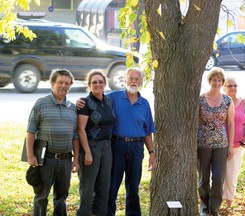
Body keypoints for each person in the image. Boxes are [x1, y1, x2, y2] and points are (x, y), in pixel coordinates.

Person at [77, 67, 156, 215]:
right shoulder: (112, 97)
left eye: (136, 79)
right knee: (111, 185)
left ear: (141, 82)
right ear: (125, 81)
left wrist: (151, 152)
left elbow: (147, 131)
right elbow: (95, 95)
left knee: (133, 187)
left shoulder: (144, 104)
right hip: (117, 145)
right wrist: (78, 103)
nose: (133, 81)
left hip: (137, 147)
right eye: (130, 78)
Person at [26, 69, 80, 215]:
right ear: (52, 84)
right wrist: (30, 156)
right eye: (60, 82)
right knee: (42, 196)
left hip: (66, 159)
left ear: (70, 86)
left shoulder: (73, 108)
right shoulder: (41, 104)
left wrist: (76, 159)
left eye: (67, 83)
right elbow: (31, 131)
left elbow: (75, 135)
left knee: (62, 197)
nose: (64, 85)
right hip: (45, 159)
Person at [77, 71, 115, 216]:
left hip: (107, 147)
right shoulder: (84, 103)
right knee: (87, 188)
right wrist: (86, 151)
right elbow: (80, 129)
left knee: (104, 187)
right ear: (89, 85)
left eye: (100, 82)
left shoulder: (109, 101)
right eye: (94, 82)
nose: (98, 84)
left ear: (105, 84)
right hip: (91, 146)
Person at [197, 67, 234, 216]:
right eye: (214, 80)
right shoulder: (200, 99)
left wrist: (230, 146)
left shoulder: (227, 100)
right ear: (209, 81)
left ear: (222, 82)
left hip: (221, 145)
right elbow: (194, 122)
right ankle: (204, 207)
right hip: (202, 144)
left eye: (219, 80)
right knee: (203, 178)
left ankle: (215, 208)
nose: (217, 83)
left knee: (219, 177)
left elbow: (231, 123)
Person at [222, 77, 245, 208]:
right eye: (229, 85)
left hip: (237, 146)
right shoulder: (220, 102)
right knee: (217, 176)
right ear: (224, 88)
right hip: (220, 145)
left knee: (231, 176)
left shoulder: (244, 103)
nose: (233, 88)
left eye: (235, 85)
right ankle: (216, 201)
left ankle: (229, 203)